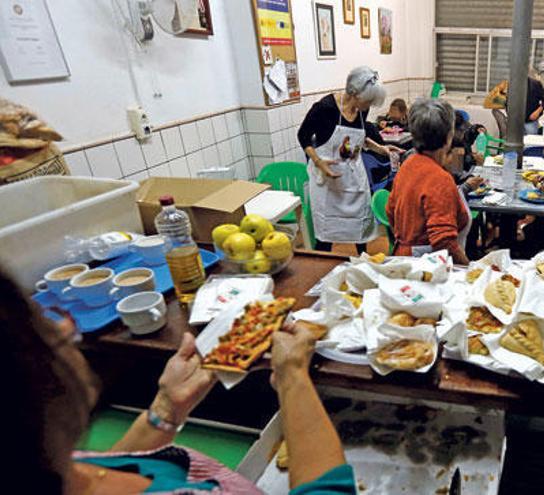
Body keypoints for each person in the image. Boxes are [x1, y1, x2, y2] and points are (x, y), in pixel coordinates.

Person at [3, 268, 356, 494]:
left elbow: (105, 471)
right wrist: (293, 375)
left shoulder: (45, 469)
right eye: (49, 328)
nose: (66, 327)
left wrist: (167, 409)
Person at [297, 66, 403, 254]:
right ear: (354, 93)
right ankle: (321, 266)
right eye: (367, 100)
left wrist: (381, 148)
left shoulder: (362, 109)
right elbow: (303, 135)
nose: (368, 106)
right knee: (326, 233)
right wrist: (318, 161)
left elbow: (358, 139)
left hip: (354, 179)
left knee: (360, 230)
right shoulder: (325, 108)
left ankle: (362, 260)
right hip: (328, 182)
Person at [387, 99, 473, 265]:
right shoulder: (439, 178)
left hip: (402, 259)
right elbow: (444, 241)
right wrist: (468, 269)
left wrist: (407, 241)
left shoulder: (407, 166)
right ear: (449, 136)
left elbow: (390, 211)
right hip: (428, 267)